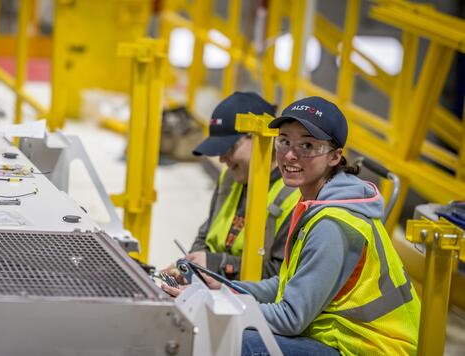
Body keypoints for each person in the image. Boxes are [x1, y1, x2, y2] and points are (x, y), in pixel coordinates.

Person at [162, 96, 420, 355]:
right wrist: (223, 288)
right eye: (284, 141)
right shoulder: (315, 204)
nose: (289, 155)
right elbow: (284, 286)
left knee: (234, 339)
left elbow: (290, 318)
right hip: (339, 337)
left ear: (335, 156)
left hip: (369, 348)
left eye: (307, 145)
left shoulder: (333, 224)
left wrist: (215, 306)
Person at [162, 91, 300, 280]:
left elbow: (279, 275)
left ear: (261, 137)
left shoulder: (294, 197)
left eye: (229, 149)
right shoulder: (229, 178)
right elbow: (204, 235)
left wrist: (215, 265)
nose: (221, 159)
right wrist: (194, 267)